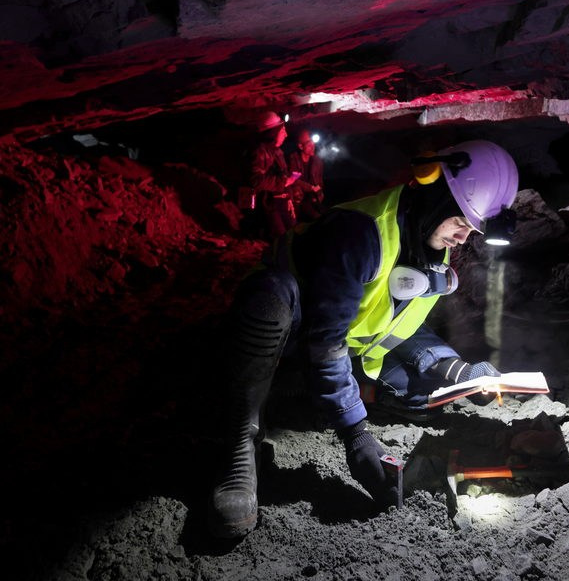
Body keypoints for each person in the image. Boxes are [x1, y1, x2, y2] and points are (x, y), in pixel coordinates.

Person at [208, 139, 519, 539]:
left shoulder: (429, 248)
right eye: (460, 223)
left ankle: (305, 399)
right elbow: (326, 339)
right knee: (270, 298)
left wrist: (457, 370)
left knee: (420, 397)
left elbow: (398, 329)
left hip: (336, 358)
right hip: (288, 340)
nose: (462, 238)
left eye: (471, 230)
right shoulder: (362, 232)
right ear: (438, 197)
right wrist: (356, 434)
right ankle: (239, 444)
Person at [246, 111, 300, 240]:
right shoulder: (260, 152)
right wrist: (283, 182)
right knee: (281, 238)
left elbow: (282, 175)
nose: (286, 135)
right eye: (283, 131)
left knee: (293, 234)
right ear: (274, 133)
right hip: (269, 204)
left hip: (283, 201)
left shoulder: (277, 152)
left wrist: (289, 184)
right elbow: (255, 180)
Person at [286, 129, 325, 221]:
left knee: (320, 216)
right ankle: (294, 219)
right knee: (297, 192)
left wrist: (318, 190)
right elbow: (293, 180)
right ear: (300, 146)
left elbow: (320, 181)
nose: (313, 146)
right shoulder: (293, 159)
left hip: (311, 197)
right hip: (298, 197)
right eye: (309, 144)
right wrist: (310, 187)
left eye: (313, 143)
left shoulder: (317, 162)